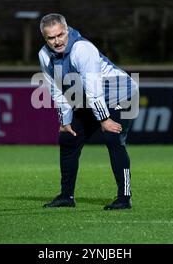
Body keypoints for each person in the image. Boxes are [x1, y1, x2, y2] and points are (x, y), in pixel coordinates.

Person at [38, 13, 138, 210]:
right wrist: (65, 121)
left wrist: (104, 119)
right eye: (51, 37)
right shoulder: (44, 55)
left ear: (67, 30)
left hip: (121, 93)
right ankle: (66, 196)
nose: (57, 41)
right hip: (89, 98)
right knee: (68, 138)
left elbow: (94, 89)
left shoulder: (82, 49)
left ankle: (124, 198)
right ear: (44, 38)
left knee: (112, 136)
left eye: (60, 35)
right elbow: (57, 90)